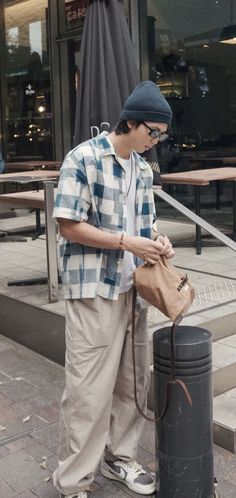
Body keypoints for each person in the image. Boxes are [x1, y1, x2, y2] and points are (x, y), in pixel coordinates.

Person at [53, 80, 174, 498]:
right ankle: (73, 482)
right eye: (152, 133)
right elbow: (68, 224)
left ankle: (120, 457)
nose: (155, 142)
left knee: (131, 382)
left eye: (161, 135)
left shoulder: (141, 169)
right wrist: (126, 241)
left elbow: (144, 223)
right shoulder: (83, 158)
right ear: (131, 122)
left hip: (132, 288)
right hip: (92, 289)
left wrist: (157, 239)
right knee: (88, 390)